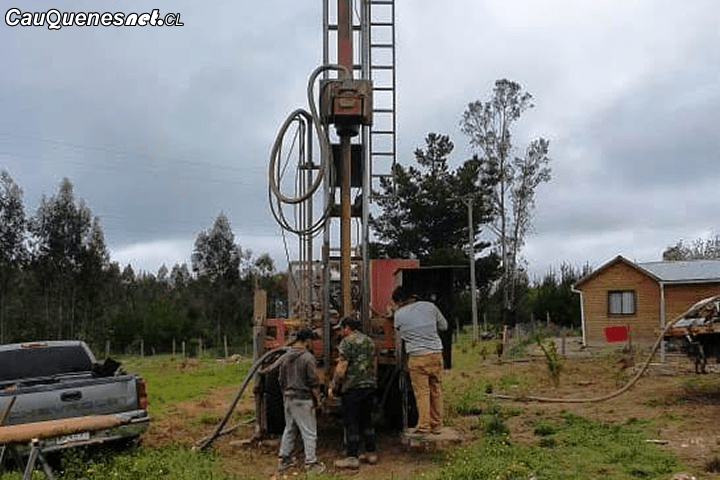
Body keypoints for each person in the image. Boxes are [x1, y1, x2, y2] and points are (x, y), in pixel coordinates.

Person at [391, 285, 448, 435]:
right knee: (436, 389)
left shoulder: (399, 314)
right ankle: (437, 424)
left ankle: (424, 426)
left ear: (399, 301)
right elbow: (444, 326)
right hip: (436, 353)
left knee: (422, 392)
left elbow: (398, 330)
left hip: (417, 357)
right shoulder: (430, 306)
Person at [329, 316, 378, 469]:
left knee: (352, 422)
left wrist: (334, 385)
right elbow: (373, 363)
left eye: (341, 329)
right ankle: (371, 453)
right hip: (369, 385)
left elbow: (342, 366)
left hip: (352, 387)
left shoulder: (347, 342)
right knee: (367, 420)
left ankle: (352, 457)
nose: (340, 332)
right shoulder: (369, 341)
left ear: (347, 328)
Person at [277, 328, 326, 474]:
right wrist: (318, 399)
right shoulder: (307, 357)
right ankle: (311, 463)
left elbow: (280, 380)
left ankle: (284, 460)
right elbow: (313, 381)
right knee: (309, 432)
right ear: (307, 340)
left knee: (289, 429)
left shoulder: (285, 356)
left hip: (288, 397)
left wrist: (286, 394)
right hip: (303, 399)